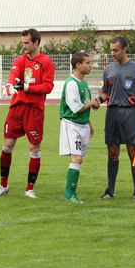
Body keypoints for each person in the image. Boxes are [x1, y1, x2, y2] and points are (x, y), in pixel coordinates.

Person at [0, 28, 55, 198]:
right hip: (17, 108)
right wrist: (9, 85)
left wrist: (27, 87)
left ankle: (29, 189)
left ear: (36, 42)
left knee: (34, 148)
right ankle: (3, 185)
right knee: (7, 146)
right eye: (23, 43)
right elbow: (13, 74)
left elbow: (48, 87)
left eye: (27, 43)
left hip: (34, 110)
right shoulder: (20, 60)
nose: (24, 46)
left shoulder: (46, 62)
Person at [98, 37, 135, 199]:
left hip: (130, 113)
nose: (112, 53)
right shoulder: (108, 70)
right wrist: (98, 101)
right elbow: (105, 92)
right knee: (112, 153)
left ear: (125, 49)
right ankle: (110, 191)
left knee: (133, 151)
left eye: (116, 50)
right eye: (111, 50)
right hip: (112, 114)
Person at [59, 52, 99, 202]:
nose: (90, 66)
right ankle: (69, 194)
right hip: (72, 125)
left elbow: (85, 104)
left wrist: (89, 123)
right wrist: (92, 103)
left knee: (79, 159)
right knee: (77, 158)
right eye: (88, 63)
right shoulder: (71, 83)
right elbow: (76, 107)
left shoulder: (84, 83)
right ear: (78, 65)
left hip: (83, 125)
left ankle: (70, 193)